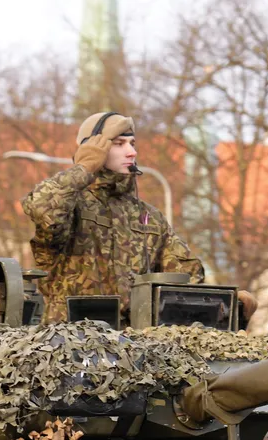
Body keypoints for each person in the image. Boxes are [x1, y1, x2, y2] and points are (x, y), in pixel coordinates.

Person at [22, 111, 220, 324]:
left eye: (132, 143)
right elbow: (41, 207)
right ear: (94, 148)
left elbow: (185, 280)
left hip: (132, 347)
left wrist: (228, 306)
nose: (132, 152)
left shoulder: (149, 218)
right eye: (119, 144)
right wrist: (85, 167)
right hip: (69, 342)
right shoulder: (72, 205)